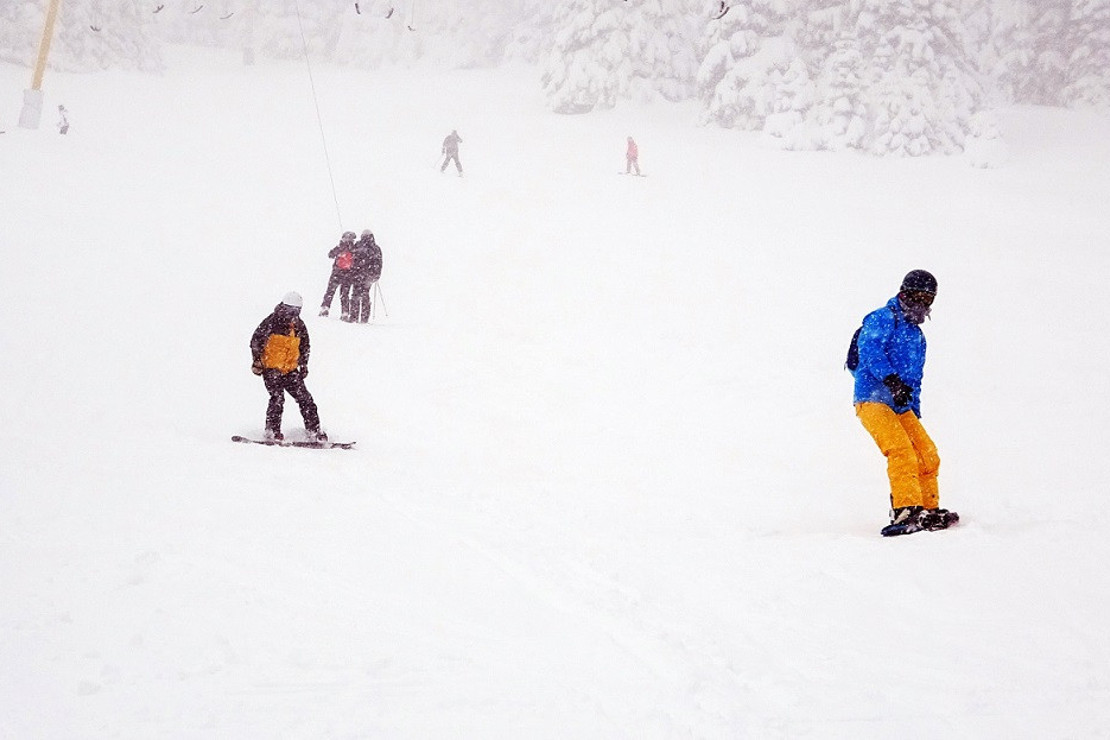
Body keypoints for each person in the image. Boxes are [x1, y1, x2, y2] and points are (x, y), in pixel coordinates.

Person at [850, 269, 957, 535]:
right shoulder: (882, 318)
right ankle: (905, 510)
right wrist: (891, 381)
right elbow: (870, 351)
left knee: (926, 452)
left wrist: (914, 410)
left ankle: (928, 508)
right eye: (916, 296)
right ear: (903, 292)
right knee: (901, 450)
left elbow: (915, 379)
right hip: (872, 398)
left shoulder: (918, 337)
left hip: (900, 404)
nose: (921, 303)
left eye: (927, 299)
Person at [250, 292, 326, 443]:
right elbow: (255, 340)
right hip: (272, 369)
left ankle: (314, 431)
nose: (293, 315)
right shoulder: (271, 322)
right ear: (283, 307)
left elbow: (305, 346)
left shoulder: (299, 326)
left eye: (297, 311)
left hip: (290, 370)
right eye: (290, 311)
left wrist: (303, 364)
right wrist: (257, 360)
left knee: (305, 399)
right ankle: (272, 431)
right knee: (277, 398)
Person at [319, 231, 357, 319]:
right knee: (345, 294)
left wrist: (339, 252)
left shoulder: (340, 247)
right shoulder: (354, 248)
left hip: (337, 272)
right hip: (348, 274)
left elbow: (330, 254)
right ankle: (345, 312)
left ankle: (325, 308)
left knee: (330, 291)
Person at [349, 229, 383, 323]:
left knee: (356, 294)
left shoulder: (358, 245)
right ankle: (364, 318)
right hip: (368, 276)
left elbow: (353, 259)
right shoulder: (375, 248)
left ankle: (354, 317)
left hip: (358, 274)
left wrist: (352, 271)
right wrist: (376, 275)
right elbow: (379, 263)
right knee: (365, 295)